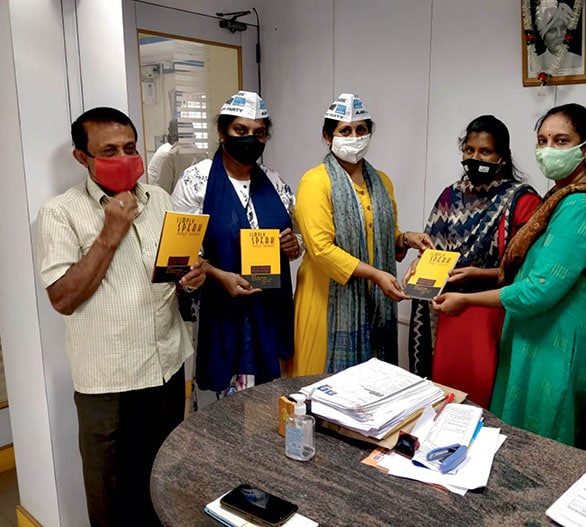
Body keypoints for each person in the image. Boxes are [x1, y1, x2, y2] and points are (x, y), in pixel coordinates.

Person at [35, 107, 205, 526]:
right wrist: (109, 235)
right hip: (108, 382)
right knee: (112, 499)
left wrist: (189, 278)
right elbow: (63, 298)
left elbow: (173, 270)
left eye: (130, 148)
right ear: (82, 157)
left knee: (163, 481)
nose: (124, 158)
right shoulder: (60, 212)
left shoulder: (159, 199)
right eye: (109, 151)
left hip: (166, 368)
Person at [432, 103, 586, 448]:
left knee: (543, 449)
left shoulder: (580, 204)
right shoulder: (561, 196)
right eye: (542, 140)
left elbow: (537, 289)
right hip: (535, 337)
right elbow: (532, 269)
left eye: (561, 140)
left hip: (556, 344)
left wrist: (466, 300)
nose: (548, 149)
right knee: (516, 443)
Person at [287, 93, 433, 376]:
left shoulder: (381, 181)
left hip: (373, 305)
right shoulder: (315, 182)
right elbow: (321, 249)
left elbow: (382, 236)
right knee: (321, 387)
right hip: (326, 304)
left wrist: (406, 238)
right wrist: (376, 275)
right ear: (328, 136)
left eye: (361, 130)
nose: (354, 137)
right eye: (345, 131)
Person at [404, 115, 541, 408]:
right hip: (444, 314)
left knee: (481, 400)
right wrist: (420, 264)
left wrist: (478, 273)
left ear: (502, 157)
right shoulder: (450, 195)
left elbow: (530, 272)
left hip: (490, 312)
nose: (475, 158)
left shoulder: (522, 201)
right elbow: (432, 249)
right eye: (469, 150)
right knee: (444, 399)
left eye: (485, 151)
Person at [172, 90, 302, 394]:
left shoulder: (276, 182)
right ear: (222, 132)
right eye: (240, 130)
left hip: (269, 312)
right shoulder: (196, 182)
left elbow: (297, 238)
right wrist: (219, 276)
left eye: (259, 133)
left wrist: (293, 245)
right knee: (226, 411)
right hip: (221, 313)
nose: (250, 140)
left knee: (269, 404)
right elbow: (179, 256)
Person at [534, 0, 582, 73]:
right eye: (553, 30)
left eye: (562, 28)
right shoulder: (536, 64)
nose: (559, 35)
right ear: (544, 37)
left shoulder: (579, 61)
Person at [147, 118, 177, 184]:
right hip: (155, 186)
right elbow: (164, 184)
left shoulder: (177, 151)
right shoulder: (167, 152)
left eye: (170, 132)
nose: (168, 135)